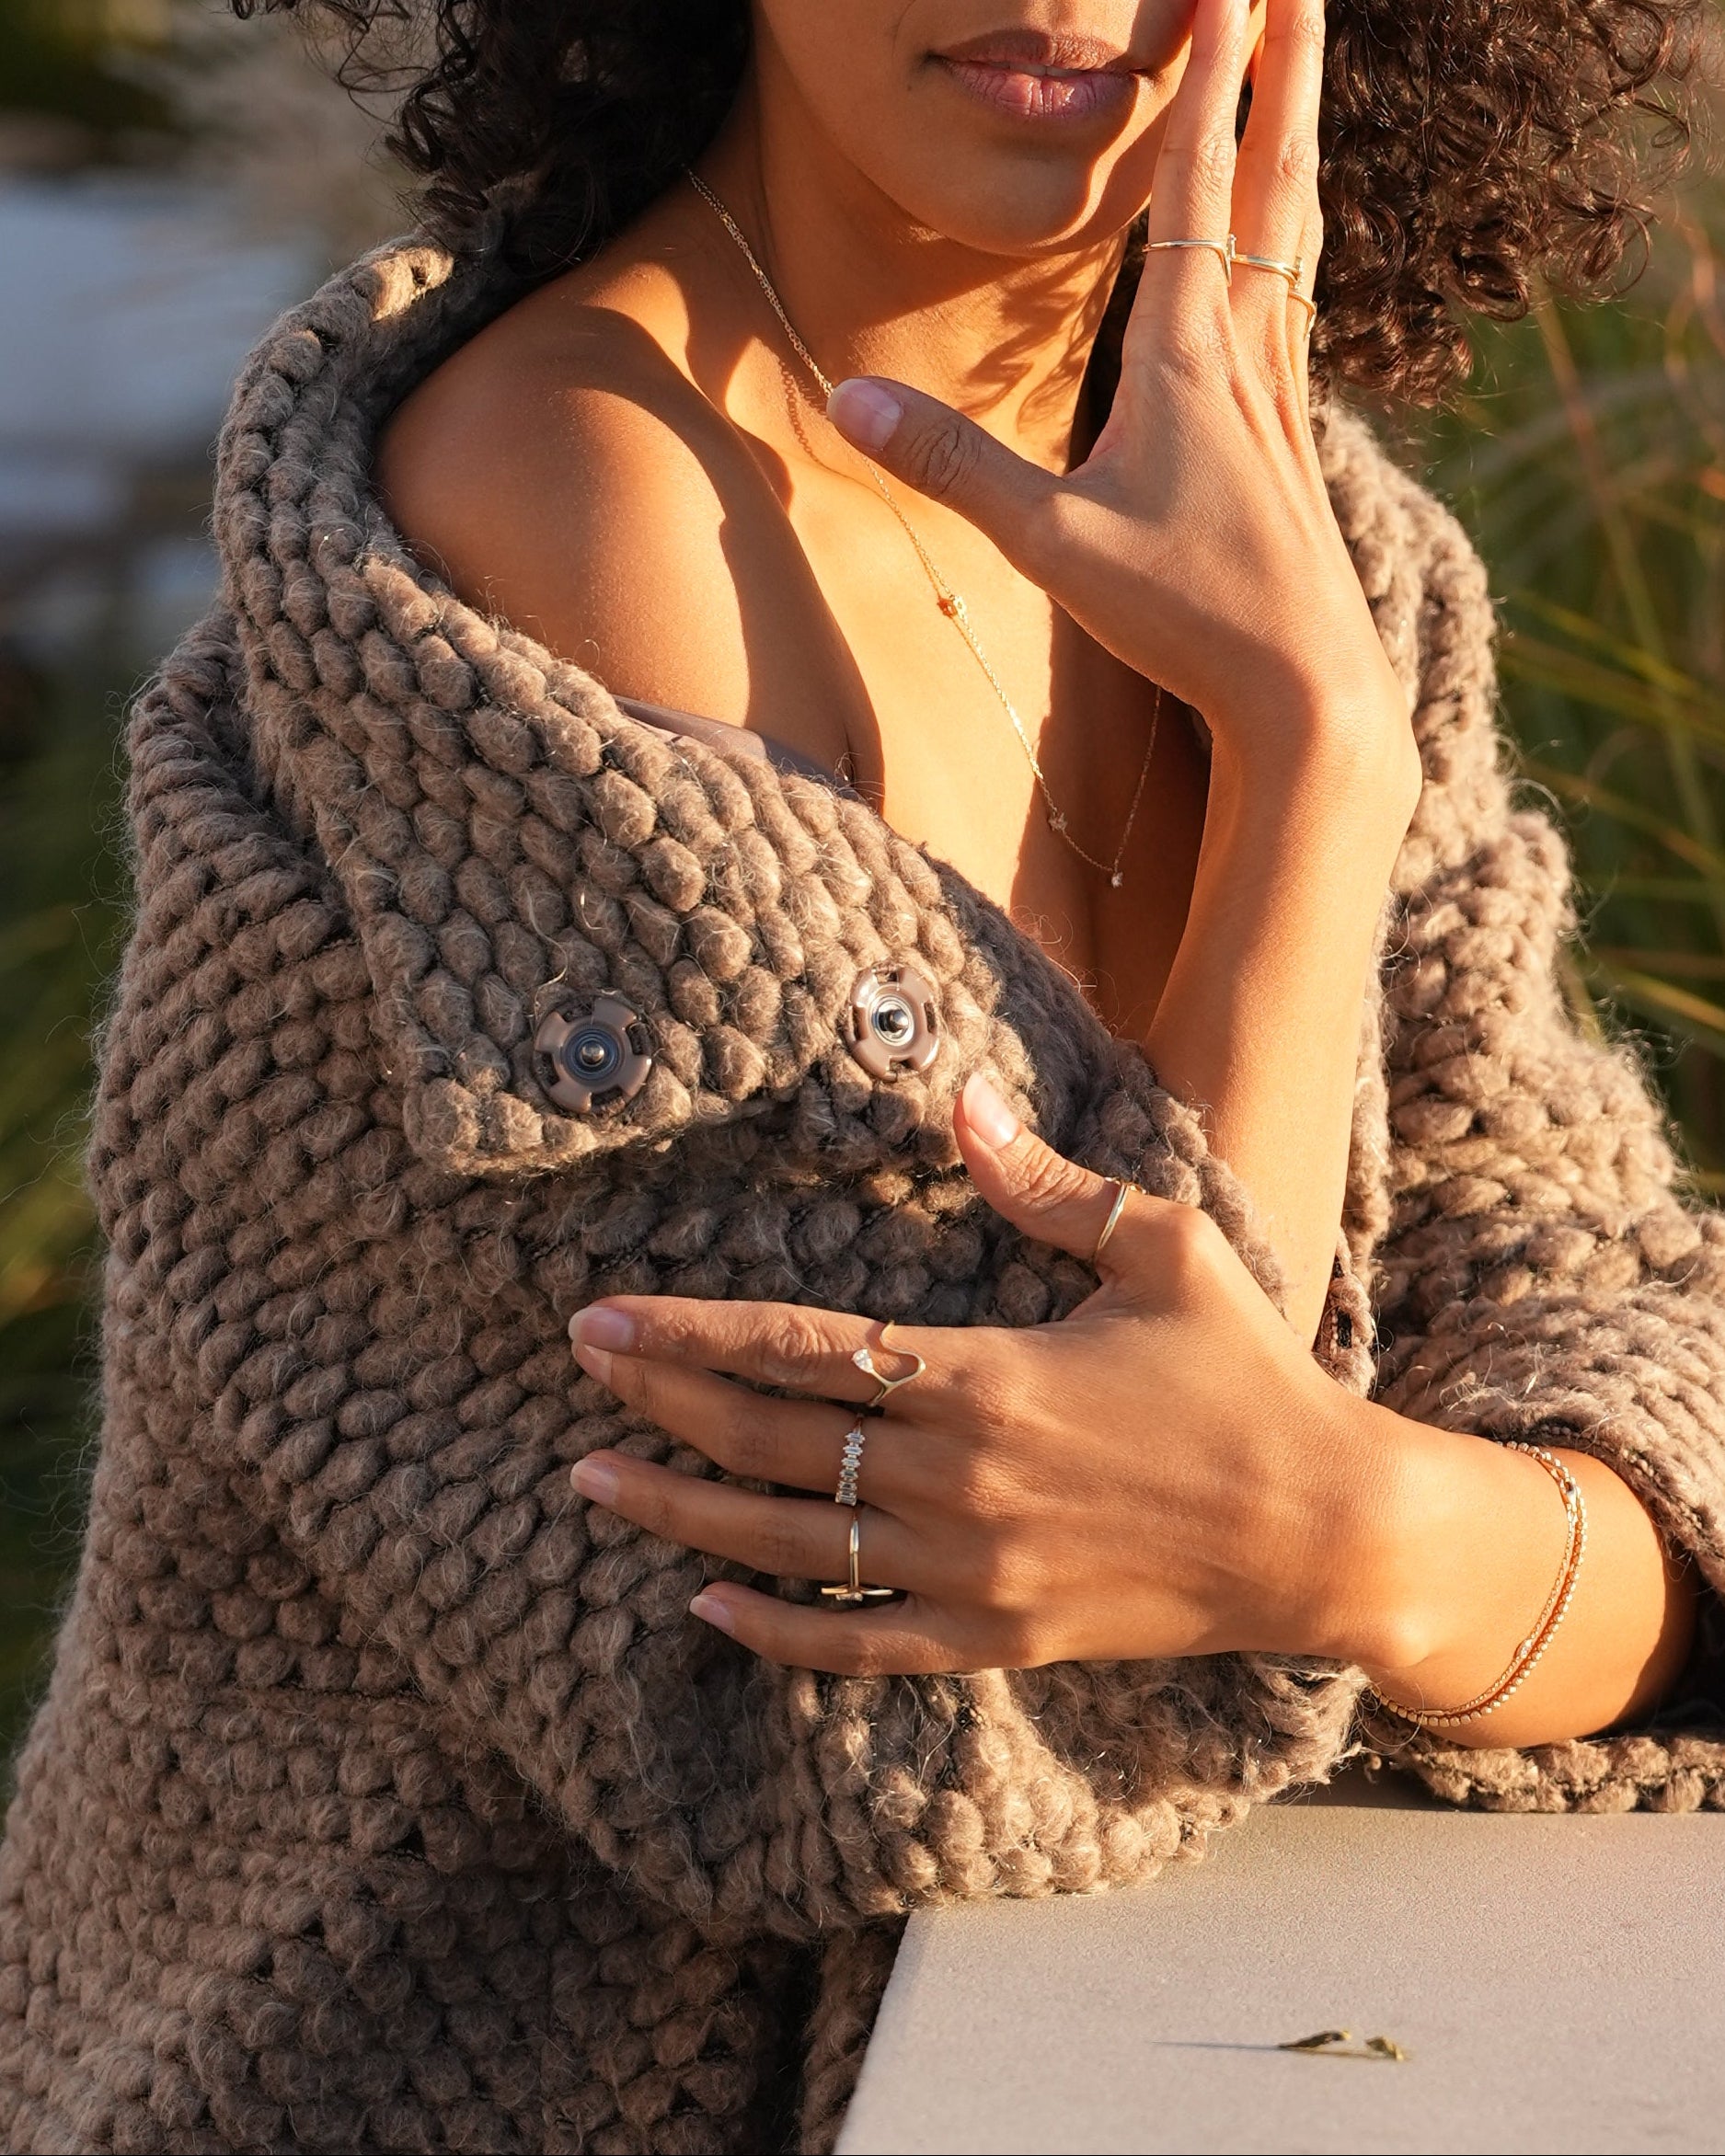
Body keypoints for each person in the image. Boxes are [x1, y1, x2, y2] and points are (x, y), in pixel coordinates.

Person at [3, 2, 1720, 2151]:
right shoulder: (561, 518)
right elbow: (955, 1719)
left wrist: (1353, 1527)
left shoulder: (1314, 545)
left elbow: (1630, 1363)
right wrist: (1298, 766)